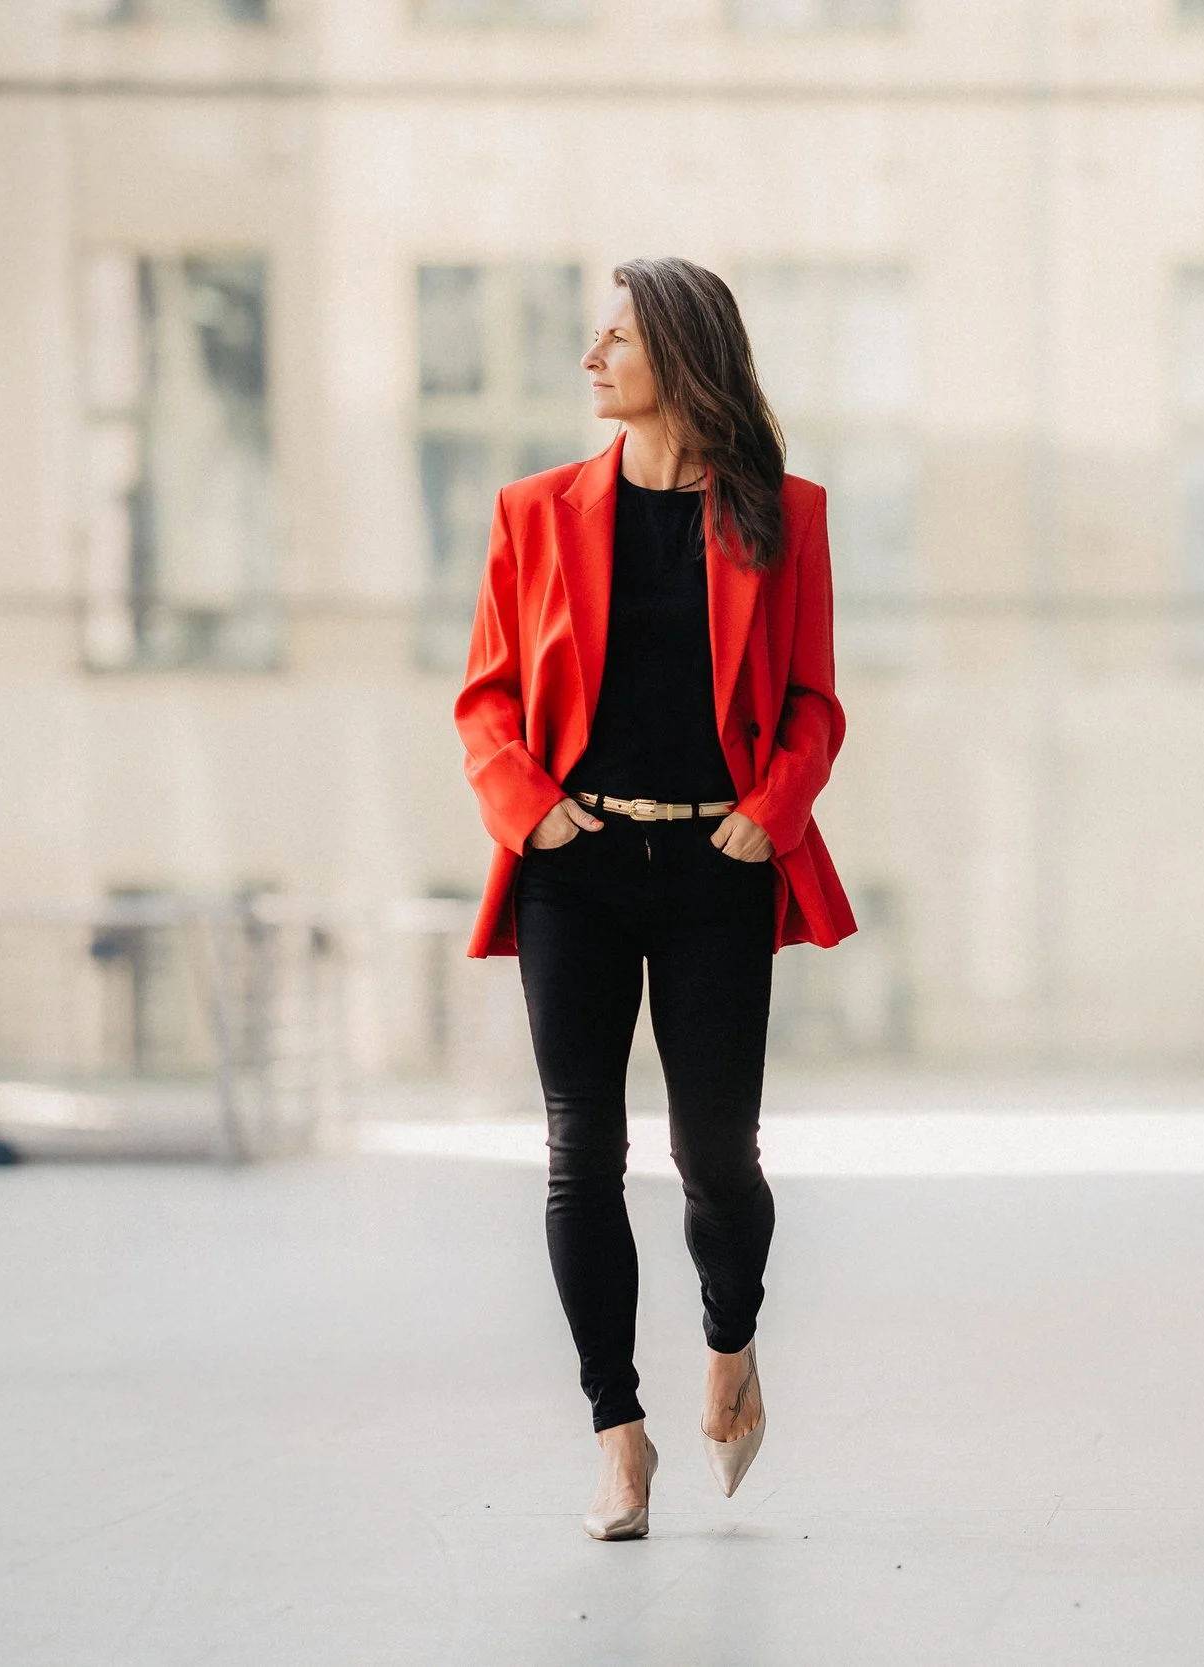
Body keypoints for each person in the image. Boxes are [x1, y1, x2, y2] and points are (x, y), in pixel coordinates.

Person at [453, 256, 856, 1541]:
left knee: (714, 1155)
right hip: (574, 864)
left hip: (714, 871)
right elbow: (485, 699)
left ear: (678, 358)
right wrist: (530, 806)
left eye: (614, 338)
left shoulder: (784, 514)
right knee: (583, 1151)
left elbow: (812, 703)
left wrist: (769, 813)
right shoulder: (535, 512)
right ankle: (617, 1435)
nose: (590, 358)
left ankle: (728, 1340)